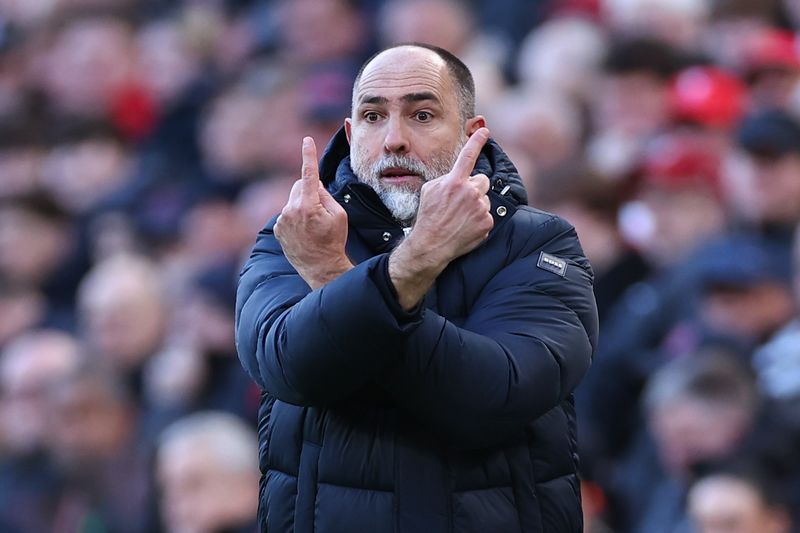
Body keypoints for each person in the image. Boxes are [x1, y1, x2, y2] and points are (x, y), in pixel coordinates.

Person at [236, 43, 598, 532]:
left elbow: (492, 398)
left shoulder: (539, 244)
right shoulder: (295, 237)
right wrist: (410, 264)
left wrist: (331, 278)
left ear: (473, 133)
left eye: (422, 114)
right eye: (372, 116)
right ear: (349, 134)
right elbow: (291, 368)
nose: (394, 140)